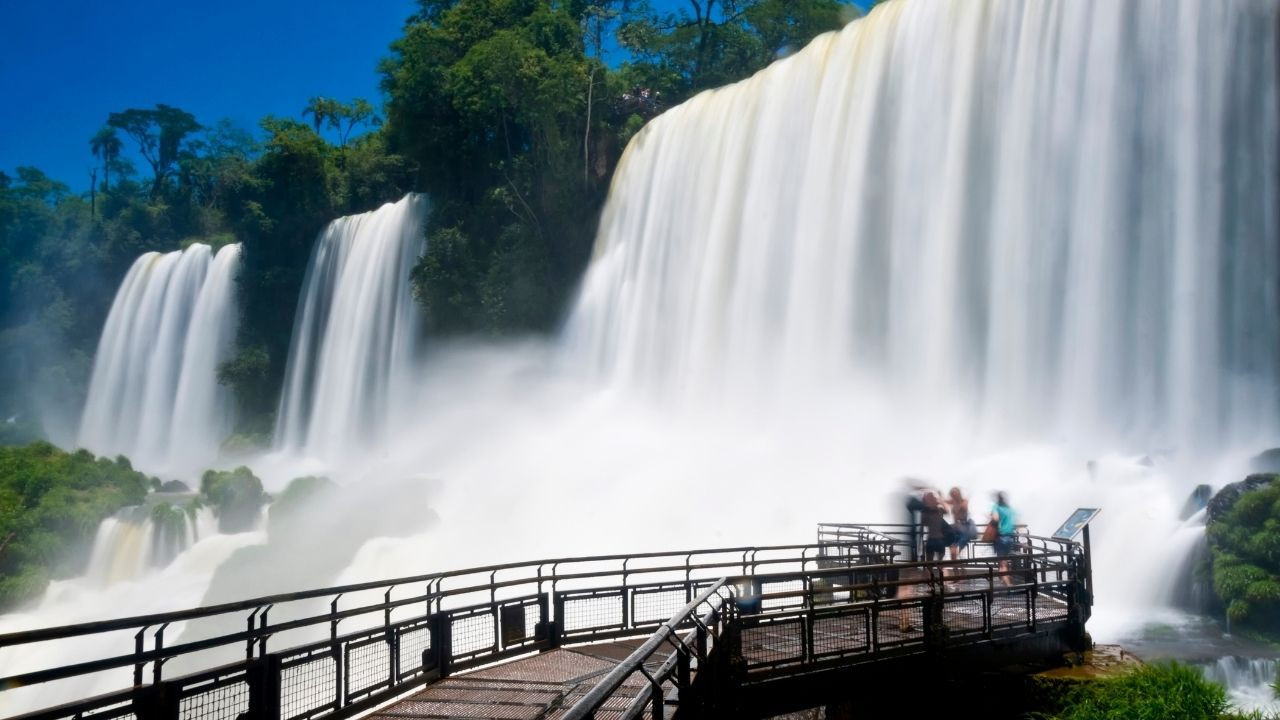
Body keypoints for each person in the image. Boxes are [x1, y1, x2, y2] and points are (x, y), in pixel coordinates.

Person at [991, 491, 1018, 586]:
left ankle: (1007, 583)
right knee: (1004, 561)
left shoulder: (996, 507)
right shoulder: (1009, 508)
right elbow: (1015, 521)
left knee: (1002, 563)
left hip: (1001, 537)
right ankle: (1004, 579)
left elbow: (995, 519)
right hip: (1010, 537)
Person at [946, 487, 976, 561]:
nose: (953, 495)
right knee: (952, 547)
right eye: (952, 494)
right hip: (956, 527)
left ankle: (956, 565)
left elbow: (964, 508)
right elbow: (942, 500)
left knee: (957, 548)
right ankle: (956, 567)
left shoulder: (964, 501)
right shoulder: (953, 501)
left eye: (955, 494)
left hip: (963, 527)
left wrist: (956, 504)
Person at [921, 492, 950, 562]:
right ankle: (939, 571)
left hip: (932, 538)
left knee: (929, 560)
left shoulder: (926, 511)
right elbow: (947, 511)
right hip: (939, 538)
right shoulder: (939, 509)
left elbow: (924, 523)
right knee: (938, 560)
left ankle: (932, 572)